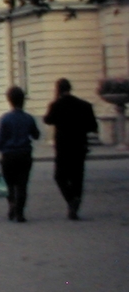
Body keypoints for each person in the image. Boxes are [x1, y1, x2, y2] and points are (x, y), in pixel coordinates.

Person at [43, 78, 98, 220]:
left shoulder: (56, 105)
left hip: (63, 147)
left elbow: (47, 120)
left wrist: (55, 101)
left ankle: (70, 200)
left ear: (58, 90)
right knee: (77, 177)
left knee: (59, 176)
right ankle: (75, 204)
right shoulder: (84, 105)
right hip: (79, 146)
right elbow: (93, 126)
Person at [0, 86, 41, 222]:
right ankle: (20, 212)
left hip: (8, 156)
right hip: (24, 154)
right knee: (22, 184)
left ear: (9, 101)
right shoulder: (28, 118)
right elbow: (36, 135)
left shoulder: (5, 119)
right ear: (23, 100)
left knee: (9, 184)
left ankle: (11, 204)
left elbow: (0, 139)